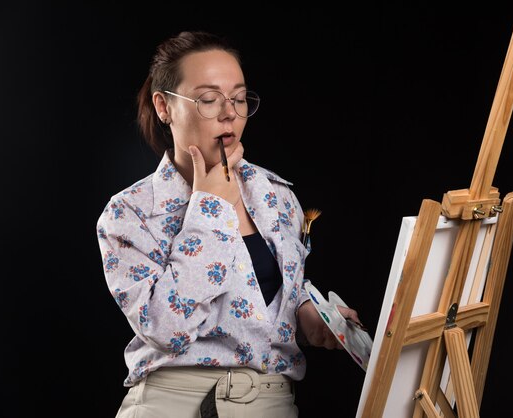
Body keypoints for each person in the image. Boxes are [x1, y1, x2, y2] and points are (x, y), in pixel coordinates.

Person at [96, 30, 362, 418]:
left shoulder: (277, 195)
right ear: (164, 106)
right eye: (208, 100)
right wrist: (210, 208)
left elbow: (267, 295)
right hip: (175, 404)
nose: (229, 113)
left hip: (273, 403)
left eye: (238, 99)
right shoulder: (130, 212)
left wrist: (306, 313)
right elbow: (166, 327)